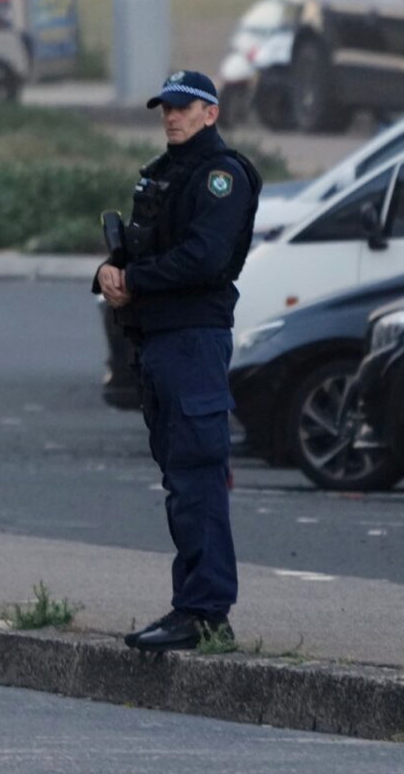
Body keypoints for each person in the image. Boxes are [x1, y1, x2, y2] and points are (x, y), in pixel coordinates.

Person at [96, 70, 262, 653]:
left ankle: (205, 612)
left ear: (210, 114)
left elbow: (203, 258)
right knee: (181, 479)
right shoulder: (165, 174)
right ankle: (192, 606)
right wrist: (108, 272)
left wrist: (134, 282)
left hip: (192, 339)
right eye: (166, 107)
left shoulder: (221, 176)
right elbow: (144, 248)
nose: (172, 116)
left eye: (185, 108)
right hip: (159, 342)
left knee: (197, 478)